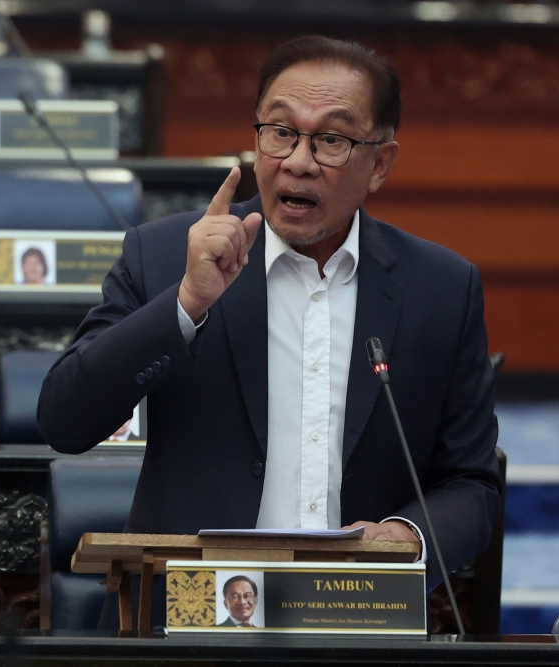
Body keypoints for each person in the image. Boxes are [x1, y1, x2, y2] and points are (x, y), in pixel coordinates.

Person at [37, 35, 501, 626]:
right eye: (280, 131)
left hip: (355, 621)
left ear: (380, 163)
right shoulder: (163, 257)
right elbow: (63, 420)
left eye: (331, 139)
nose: (298, 160)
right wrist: (185, 303)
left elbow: (471, 482)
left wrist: (408, 535)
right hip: (189, 626)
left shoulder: (441, 288)